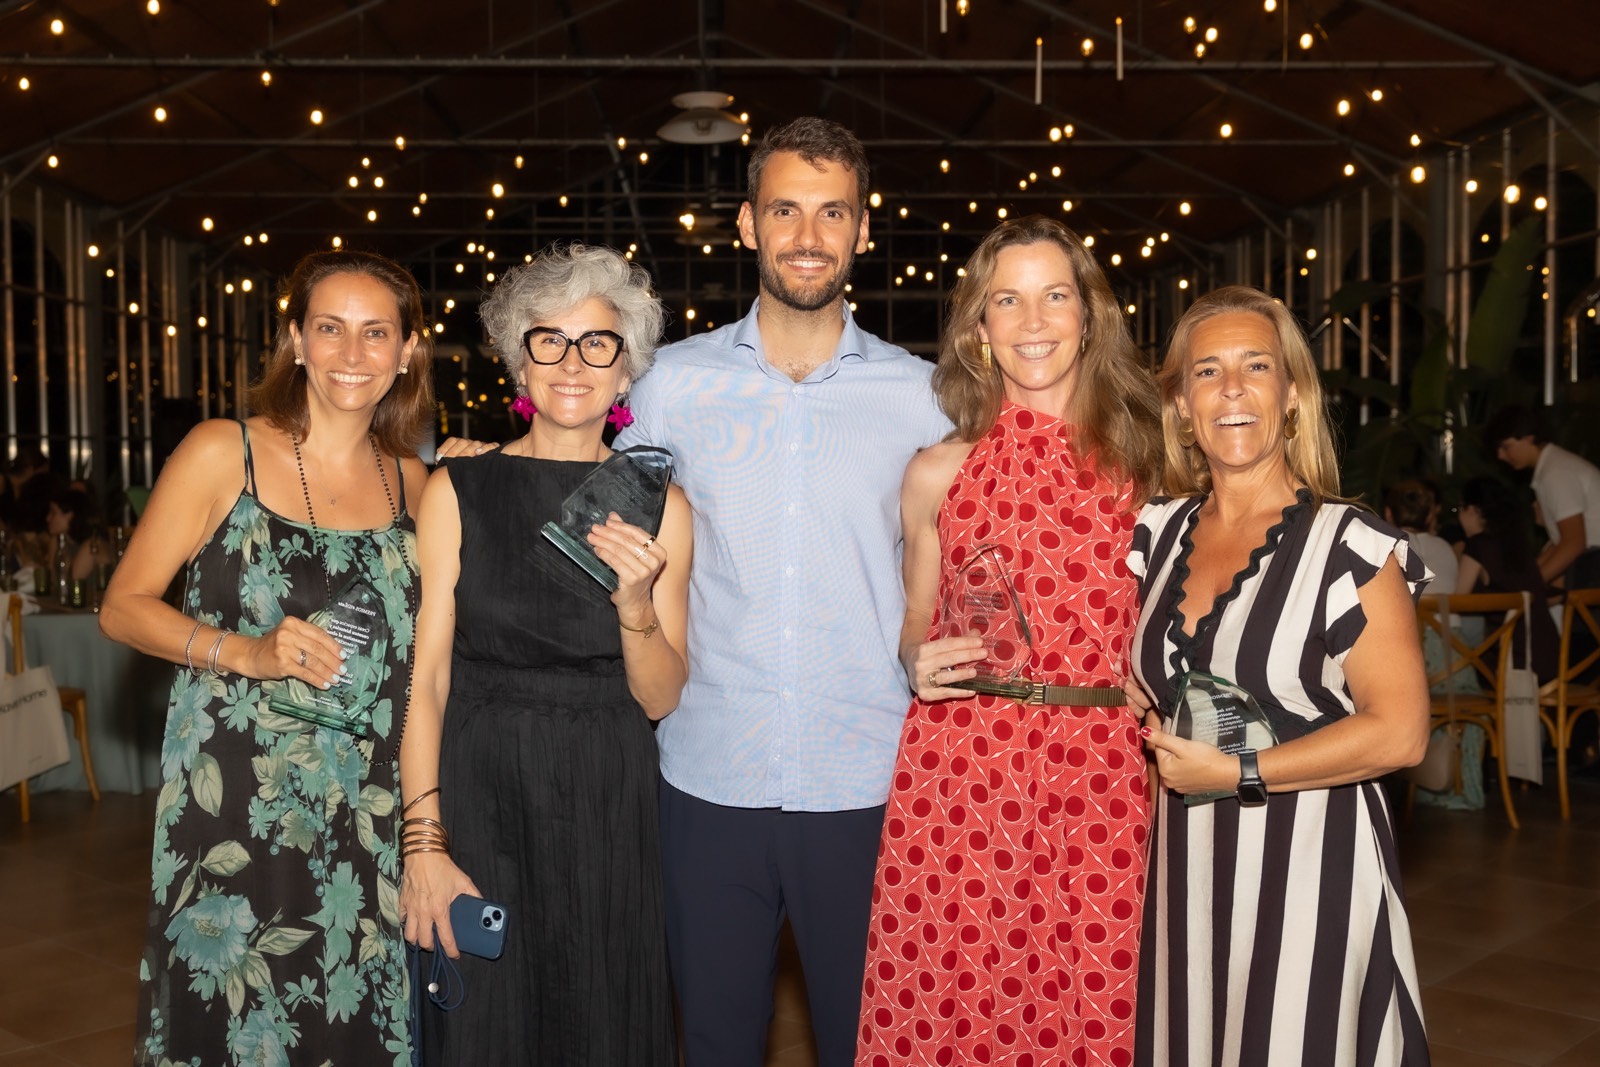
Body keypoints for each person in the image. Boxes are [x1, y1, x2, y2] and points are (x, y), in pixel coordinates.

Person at [613, 116, 951, 1066]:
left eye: (832, 212)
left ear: (863, 230)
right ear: (747, 225)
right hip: (711, 773)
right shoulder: (669, 386)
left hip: (870, 778)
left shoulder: (924, 397)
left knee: (871, 1042)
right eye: (787, 210)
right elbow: (589, 508)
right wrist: (475, 464)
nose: (809, 234)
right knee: (715, 1042)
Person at [100, 249, 433, 1066]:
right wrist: (243, 650)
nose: (352, 355)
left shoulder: (420, 486)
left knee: (348, 1012)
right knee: (236, 1012)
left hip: (366, 806)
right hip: (235, 795)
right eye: (330, 329)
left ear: (408, 351)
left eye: (375, 333)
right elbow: (122, 606)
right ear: (295, 340)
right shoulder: (225, 452)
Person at [855, 216, 1162, 1065]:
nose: (1033, 321)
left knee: (1098, 1001)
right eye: (1008, 300)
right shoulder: (937, 471)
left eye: (1055, 296)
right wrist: (918, 656)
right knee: (958, 1005)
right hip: (961, 769)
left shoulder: (1149, 462)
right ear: (978, 328)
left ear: (1090, 315)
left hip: (1102, 768)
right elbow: (918, 616)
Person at [399, 244, 689, 1065]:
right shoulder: (457, 490)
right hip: (481, 789)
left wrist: (634, 607)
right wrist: (424, 845)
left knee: (604, 1013)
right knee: (487, 1027)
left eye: (597, 342)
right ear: (517, 362)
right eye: (548, 340)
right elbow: (425, 681)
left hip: (607, 795)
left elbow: (664, 695)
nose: (572, 363)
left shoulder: (663, 505)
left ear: (626, 369)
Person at [1128, 285, 1432, 1065]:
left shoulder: (1350, 546)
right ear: (1181, 405)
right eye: (1207, 372)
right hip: (1185, 871)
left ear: (1291, 395)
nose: (1231, 389)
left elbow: (1400, 733)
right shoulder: (1154, 535)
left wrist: (1240, 769)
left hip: (1311, 868)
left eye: (1256, 366)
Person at [1485, 404, 1600, 590]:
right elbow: (1559, 541)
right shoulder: (1552, 467)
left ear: (1528, 438)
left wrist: (1530, 585)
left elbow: (1574, 542)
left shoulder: (1556, 473)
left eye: (1506, 447)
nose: (1501, 456)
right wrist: (1527, 579)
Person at [1456, 475, 1558, 682]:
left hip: (1513, 662)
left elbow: (1457, 600)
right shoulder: (1517, 544)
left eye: (1460, 509)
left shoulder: (1478, 545)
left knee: (1458, 667)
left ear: (1473, 510)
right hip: (1551, 653)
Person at [1385, 478, 1457, 595]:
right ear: (1429, 516)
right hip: (1446, 613)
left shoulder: (1386, 547)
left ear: (1388, 513)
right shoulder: (1446, 548)